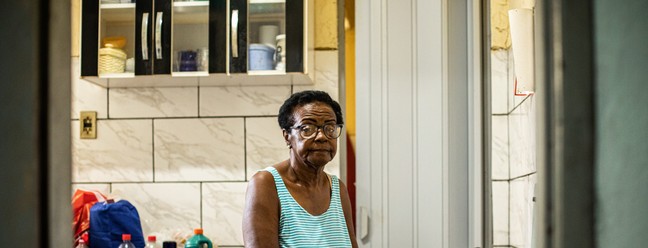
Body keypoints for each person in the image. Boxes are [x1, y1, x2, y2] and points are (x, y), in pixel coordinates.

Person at [243, 90, 358, 248]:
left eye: (330, 128)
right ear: (287, 136)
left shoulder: (337, 189)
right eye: (307, 128)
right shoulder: (266, 184)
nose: (321, 137)